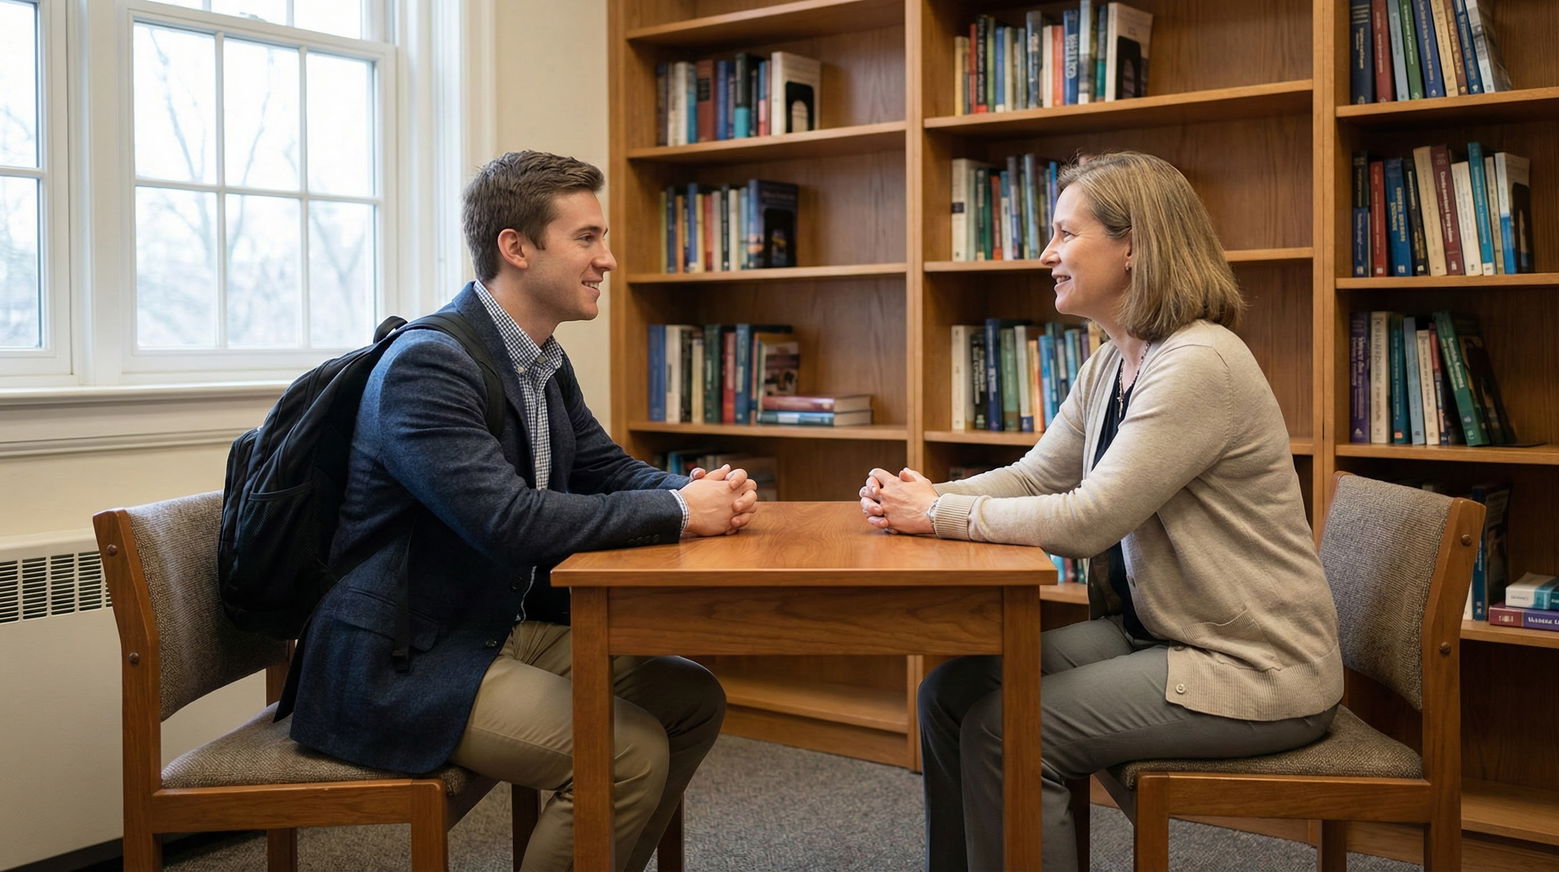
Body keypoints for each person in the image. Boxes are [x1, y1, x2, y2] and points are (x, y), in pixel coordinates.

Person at [859, 151, 1342, 871]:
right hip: (1161, 636)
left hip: (1253, 666)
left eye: (1065, 234)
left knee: (1009, 730)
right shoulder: (1113, 361)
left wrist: (935, 516)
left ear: (1134, 245)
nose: (1048, 254)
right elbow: (1034, 478)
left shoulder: (1198, 364)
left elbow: (1089, 521)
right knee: (950, 693)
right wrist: (918, 496)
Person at [278, 151, 755, 872]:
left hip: (491, 629)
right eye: (588, 238)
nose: (609, 259)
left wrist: (696, 491)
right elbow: (510, 521)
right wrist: (682, 513)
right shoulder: (428, 366)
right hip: (401, 662)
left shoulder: (541, 359)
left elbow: (604, 470)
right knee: (627, 753)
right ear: (517, 247)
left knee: (691, 697)